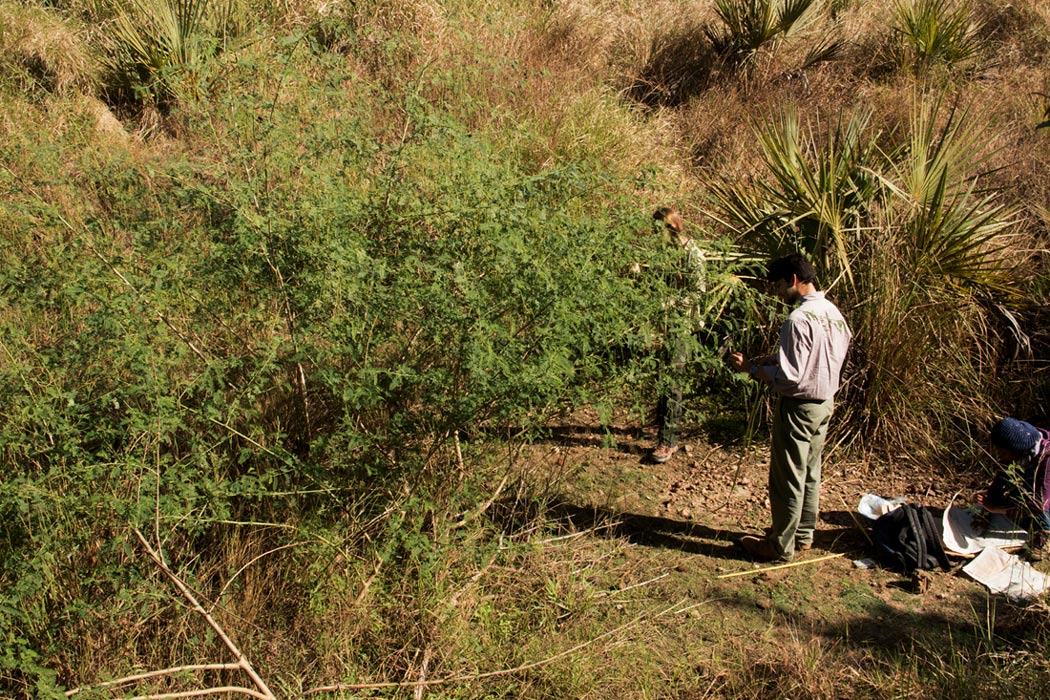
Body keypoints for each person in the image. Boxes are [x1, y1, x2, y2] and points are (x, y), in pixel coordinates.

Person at [728, 253, 851, 561]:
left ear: (794, 280)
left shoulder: (797, 319)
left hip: (798, 408)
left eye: (781, 285)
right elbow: (823, 358)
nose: (780, 293)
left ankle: (779, 546)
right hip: (825, 403)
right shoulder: (834, 313)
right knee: (810, 471)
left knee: (787, 478)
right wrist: (774, 358)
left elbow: (790, 377)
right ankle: (803, 534)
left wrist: (752, 369)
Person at [649, 207, 706, 464]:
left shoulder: (692, 253)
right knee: (661, 377)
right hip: (661, 325)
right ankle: (660, 425)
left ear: (670, 228)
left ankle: (668, 441)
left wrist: (670, 303)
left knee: (673, 382)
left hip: (680, 325)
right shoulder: (665, 252)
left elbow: (698, 291)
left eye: (658, 230)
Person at [977, 417, 1050, 559]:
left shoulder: (1047, 459)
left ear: (1018, 451)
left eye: (1003, 453)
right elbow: (1003, 474)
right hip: (1037, 478)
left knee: (1041, 506)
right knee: (1017, 496)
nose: (1000, 456)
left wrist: (996, 509)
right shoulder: (1025, 440)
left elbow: (1040, 503)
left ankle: (1043, 540)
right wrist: (988, 503)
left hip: (1045, 495)